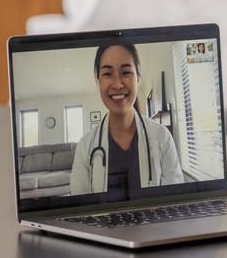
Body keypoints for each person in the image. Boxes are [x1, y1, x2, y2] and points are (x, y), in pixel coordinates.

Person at [71, 42, 184, 195]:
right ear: (98, 81)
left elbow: (174, 201)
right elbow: (81, 211)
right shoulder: (85, 147)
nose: (117, 85)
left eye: (125, 72)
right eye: (107, 74)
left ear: (138, 78)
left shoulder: (162, 138)